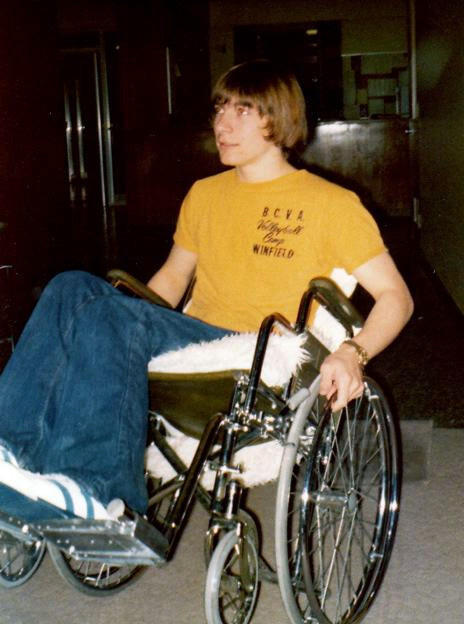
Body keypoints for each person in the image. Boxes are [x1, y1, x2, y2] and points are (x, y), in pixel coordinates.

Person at [0, 60, 413, 520]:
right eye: (220, 110)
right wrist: (110, 316)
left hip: (259, 351)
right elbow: (174, 279)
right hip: (194, 333)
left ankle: (99, 488)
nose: (223, 124)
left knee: (101, 313)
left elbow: (396, 297)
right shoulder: (204, 194)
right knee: (70, 286)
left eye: (242, 111)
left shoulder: (331, 204)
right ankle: (10, 448)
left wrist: (353, 352)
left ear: (278, 119)